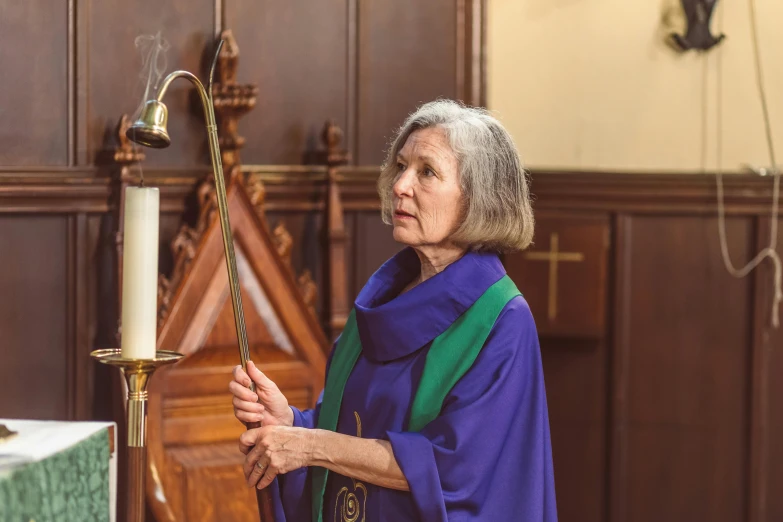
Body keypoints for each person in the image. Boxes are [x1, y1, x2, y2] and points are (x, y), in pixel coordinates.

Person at [229, 99, 558, 522]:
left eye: (427, 172)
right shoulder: (384, 298)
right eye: (401, 166)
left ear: (478, 199)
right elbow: (360, 424)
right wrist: (291, 420)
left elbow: (449, 468)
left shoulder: (500, 320)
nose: (400, 185)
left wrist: (309, 445)